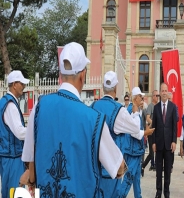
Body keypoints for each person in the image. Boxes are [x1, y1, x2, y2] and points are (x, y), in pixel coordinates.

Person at [20, 42, 127, 197]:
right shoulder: (93, 119)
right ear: (83, 74)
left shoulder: (40, 106)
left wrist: (31, 182)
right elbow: (118, 167)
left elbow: (31, 160)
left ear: (61, 74)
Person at [91, 71, 154, 197]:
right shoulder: (119, 110)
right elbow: (135, 129)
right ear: (115, 88)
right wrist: (136, 114)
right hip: (111, 167)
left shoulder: (92, 106)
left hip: (94, 167)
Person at [115, 87, 154, 198]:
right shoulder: (132, 110)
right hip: (132, 151)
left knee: (136, 180)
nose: (143, 98)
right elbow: (134, 132)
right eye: (141, 97)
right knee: (128, 179)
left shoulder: (136, 109)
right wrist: (146, 132)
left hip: (136, 151)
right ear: (136, 98)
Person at [0, 70, 28, 197]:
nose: (24, 86)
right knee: (16, 193)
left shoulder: (4, 102)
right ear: (14, 84)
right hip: (13, 158)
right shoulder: (10, 104)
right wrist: (36, 129)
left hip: (6, 156)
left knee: (8, 192)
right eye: (22, 83)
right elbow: (20, 132)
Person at [152, 83, 178, 198]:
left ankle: (166, 193)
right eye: (162, 91)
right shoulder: (156, 107)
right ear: (160, 93)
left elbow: (174, 126)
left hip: (168, 145)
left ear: (168, 92)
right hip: (158, 144)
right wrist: (153, 142)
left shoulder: (173, 107)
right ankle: (158, 192)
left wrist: (174, 141)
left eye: (165, 90)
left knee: (167, 171)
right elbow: (153, 126)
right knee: (158, 171)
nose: (164, 93)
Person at [142, 90, 159, 174]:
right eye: (156, 95)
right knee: (151, 153)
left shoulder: (159, 106)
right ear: (153, 97)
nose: (157, 97)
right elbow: (147, 118)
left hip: (158, 132)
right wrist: (154, 123)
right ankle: (143, 166)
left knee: (159, 151)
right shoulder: (150, 106)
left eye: (158, 95)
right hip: (151, 132)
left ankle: (158, 170)